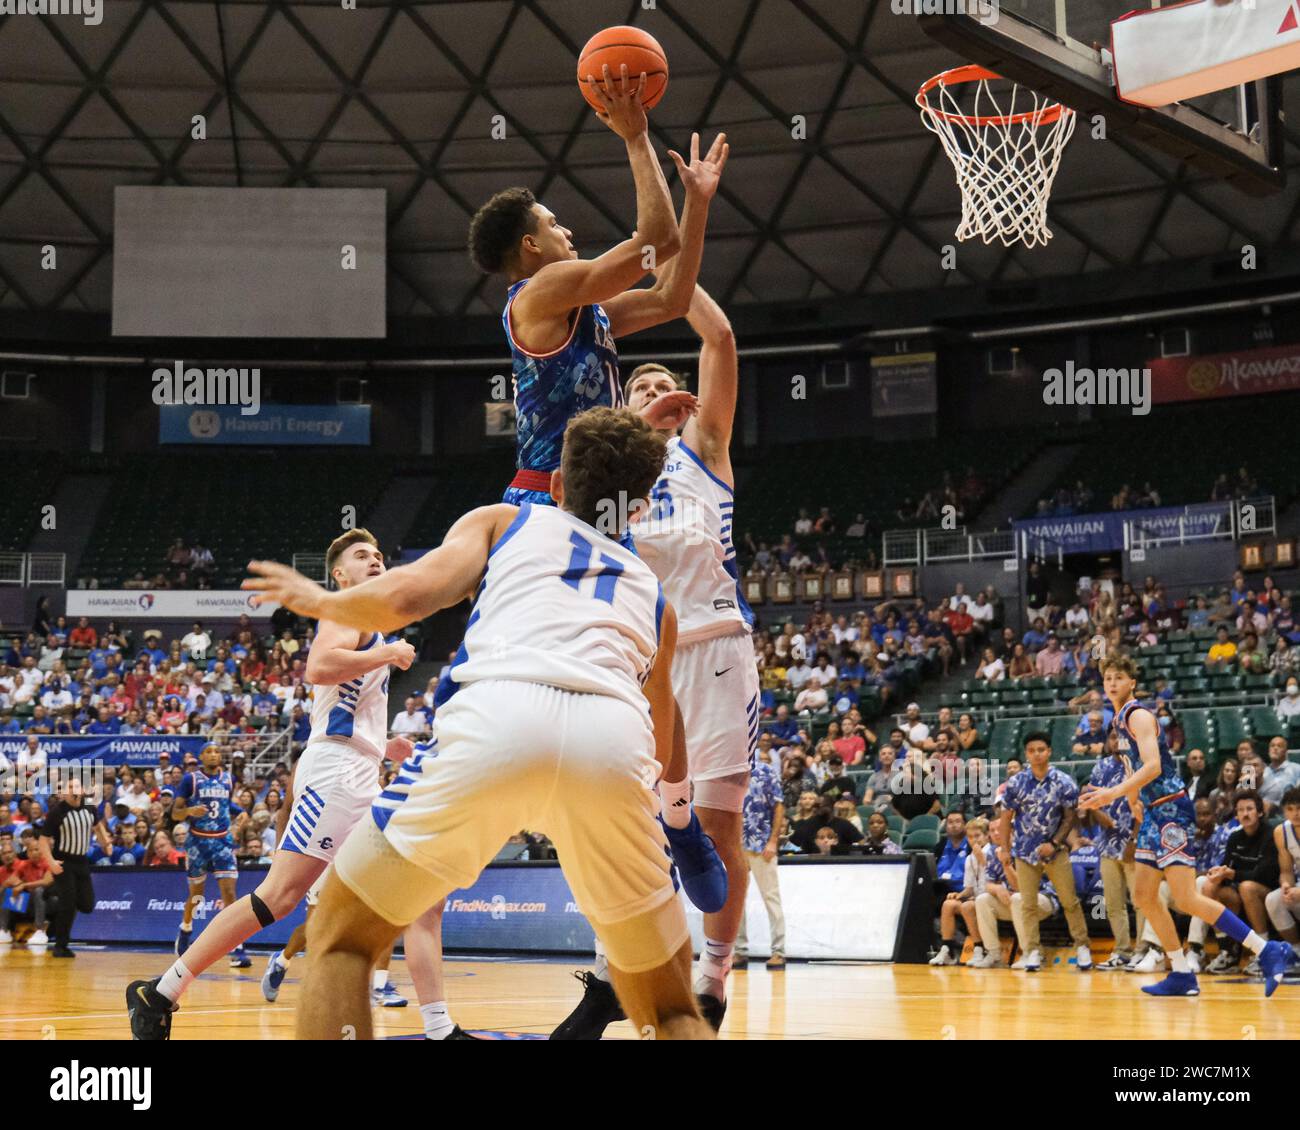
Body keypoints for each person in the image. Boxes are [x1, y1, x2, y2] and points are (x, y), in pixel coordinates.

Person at [233, 407, 716, 1041]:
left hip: (499, 720)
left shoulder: (505, 520)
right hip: (613, 741)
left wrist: (324, 602)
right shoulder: (654, 597)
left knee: (342, 940)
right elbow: (665, 729)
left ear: (560, 486)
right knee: (672, 1006)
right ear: (639, 509)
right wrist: (679, 822)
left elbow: (408, 596)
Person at [127, 528, 416, 1039]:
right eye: (361, 555)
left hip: (359, 767)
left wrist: (383, 743)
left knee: (375, 896)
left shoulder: (369, 623)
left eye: (377, 554)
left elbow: (344, 704)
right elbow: (319, 668)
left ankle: (353, 1014)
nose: (374, 560)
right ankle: (162, 992)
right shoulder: (345, 610)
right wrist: (386, 656)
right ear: (340, 575)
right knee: (279, 896)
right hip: (336, 774)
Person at [471, 75, 713, 513]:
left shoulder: (581, 309)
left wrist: (696, 204)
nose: (567, 231)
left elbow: (671, 300)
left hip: (599, 492)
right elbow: (657, 243)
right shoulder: (537, 292)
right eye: (553, 225)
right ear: (530, 245)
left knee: (639, 586)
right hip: (549, 493)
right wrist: (635, 136)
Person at [1080, 655, 1295, 997]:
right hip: (1153, 813)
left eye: (1119, 677)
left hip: (1171, 812)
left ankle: (1267, 950)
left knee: (1186, 897)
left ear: (1132, 683)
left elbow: (1151, 766)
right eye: (1107, 678)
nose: (1112, 683)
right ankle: (1180, 972)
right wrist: (1133, 800)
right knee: (1144, 896)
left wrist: (1113, 794)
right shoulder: (1119, 722)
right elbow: (1134, 765)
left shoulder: (1138, 715)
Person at [996, 731, 1093, 973]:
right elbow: (1006, 817)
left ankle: (1082, 946)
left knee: (1070, 901)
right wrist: (1005, 848)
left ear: (1049, 752)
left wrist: (1055, 842)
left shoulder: (1063, 781)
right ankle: (1032, 951)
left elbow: (1070, 817)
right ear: (1026, 754)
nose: (1037, 754)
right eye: (1032, 750)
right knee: (1027, 904)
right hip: (1024, 852)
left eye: (1041, 750)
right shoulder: (1016, 783)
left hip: (1056, 851)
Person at [170, 744, 249, 968]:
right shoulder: (190, 780)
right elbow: (175, 813)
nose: (214, 754)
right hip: (197, 842)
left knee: (230, 895)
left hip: (223, 842)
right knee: (197, 896)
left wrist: (240, 813)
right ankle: (185, 930)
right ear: (201, 756)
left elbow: (223, 805)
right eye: (209, 751)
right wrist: (188, 812)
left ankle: (237, 947)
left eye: (216, 751)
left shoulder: (229, 779)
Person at [36, 777, 110, 958]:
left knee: (87, 905)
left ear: (82, 790)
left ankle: (55, 891)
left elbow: (97, 827)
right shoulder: (56, 812)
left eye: (76, 786)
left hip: (82, 861)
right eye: (69, 787)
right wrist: (51, 863)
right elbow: (43, 841)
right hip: (64, 862)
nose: (73, 790)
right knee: (68, 906)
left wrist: (105, 842)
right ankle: (61, 946)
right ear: (63, 792)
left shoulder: (90, 808)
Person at [734, 746, 786, 971]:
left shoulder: (765, 771)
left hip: (761, 844)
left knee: (771, 898)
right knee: (735, 903)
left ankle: (779, 951)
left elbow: (778, 805)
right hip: (735, 847)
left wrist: (773, 840)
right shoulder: (728, 774)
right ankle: (739, 951)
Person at [930, 817, 994, 967]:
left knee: (968, 906)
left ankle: (979, 948)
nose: (974, 840)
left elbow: (994, 879)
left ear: (986, 836)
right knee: (949, 904)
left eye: (977, 836)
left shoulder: (992, 852)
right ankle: (948, 950)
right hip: (977, 898)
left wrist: (982, 859)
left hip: (991, 898)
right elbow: (970, 888)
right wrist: (959, 895)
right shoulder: (970, 859)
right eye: (970, 837)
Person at [1264, 787, 1300, 958]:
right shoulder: (1282, 831)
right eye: (1290, 809)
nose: (1296, 814)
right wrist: (1286, 885)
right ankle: (1296, 951)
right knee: (1274, 899)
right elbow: (1286, 871)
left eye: (1299, 809)